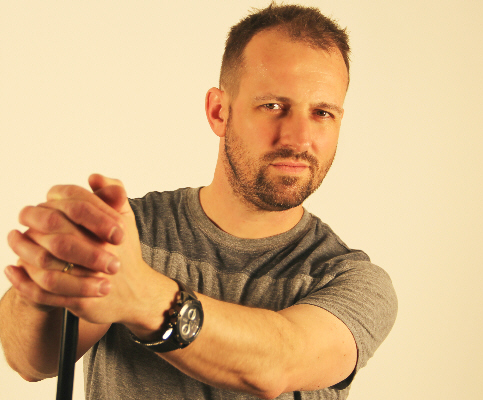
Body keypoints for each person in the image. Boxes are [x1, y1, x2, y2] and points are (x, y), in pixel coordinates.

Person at [0, 3, 397, 399]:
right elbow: (31, 361)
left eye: (322, 113)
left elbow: (278, 362)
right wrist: (44, 284)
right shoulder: (129, 233)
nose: (299, 138)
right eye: (273, 106)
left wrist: (142, 296)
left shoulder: (352, 281)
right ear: (219, 111)